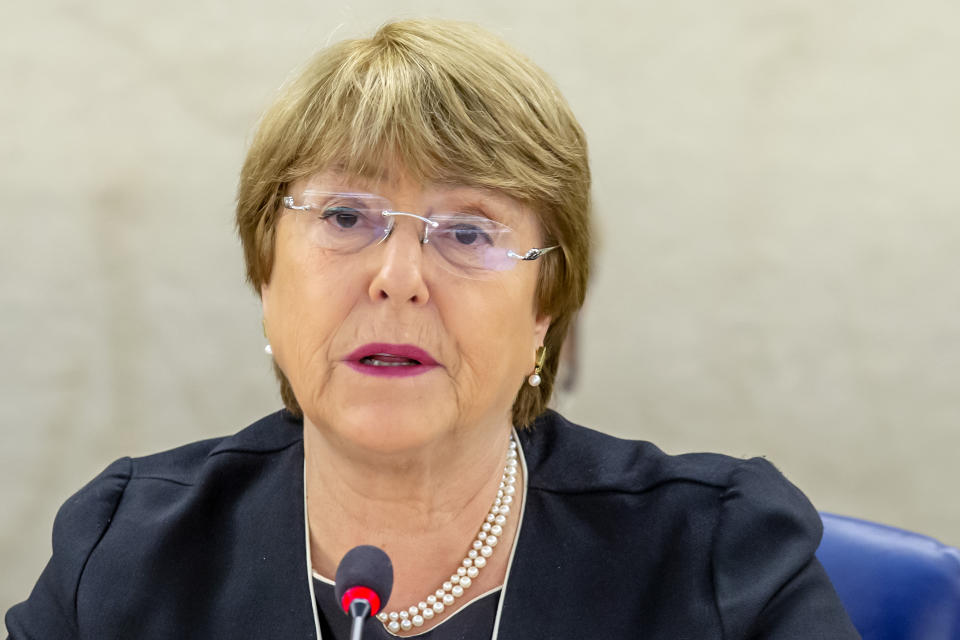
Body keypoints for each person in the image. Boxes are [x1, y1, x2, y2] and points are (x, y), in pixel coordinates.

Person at [5, 19, 859, 640]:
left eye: (468, 232)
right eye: (345, 215)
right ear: (266, 274)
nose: (399, 278)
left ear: (545, 311)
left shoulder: (718, 560)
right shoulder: (124, 554)